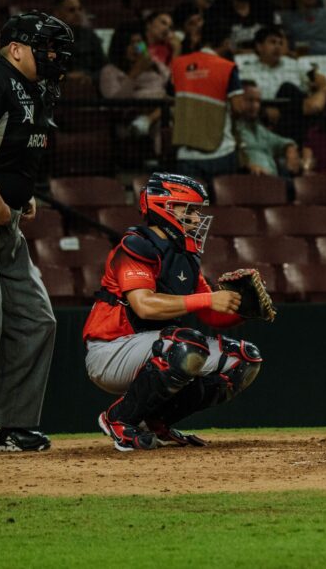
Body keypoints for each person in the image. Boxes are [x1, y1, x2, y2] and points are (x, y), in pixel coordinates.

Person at [82, 173, 263, 451]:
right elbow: (144, 304)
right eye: (187, 210)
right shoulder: (135, 246)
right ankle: (118, 419)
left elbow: (212, 315)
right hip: (111, 350)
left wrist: (242, 307)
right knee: (187, 344)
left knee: (243, 359)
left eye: (196, 211)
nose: (194, 218)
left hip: (154, 347)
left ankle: (154, 422)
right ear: (162, 207)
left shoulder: (186, 257)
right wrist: (208, 300)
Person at [0, 12, 74, 457]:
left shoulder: (36, 90)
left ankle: (11, 424)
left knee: (36, 320)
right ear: (16, 48)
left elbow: (11, 151)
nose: (55, 58)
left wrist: (21, 195)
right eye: (47, 49)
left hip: (5, 220)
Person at [170, 21, 244, 188]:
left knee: (190, 212)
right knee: (224, 211)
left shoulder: (179, 64)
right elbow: (238, 108)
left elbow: (170, 91)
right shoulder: (228, 67)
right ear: (225, 43)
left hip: (187, 154)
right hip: (222, 151)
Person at [100, 23, 169, 140]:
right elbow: (116, 103)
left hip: (160, 112)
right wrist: (135, 73)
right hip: (130, 117)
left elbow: (171, 86)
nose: (136, 47)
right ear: (121, 46)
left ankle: (148, 120)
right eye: (131, 43)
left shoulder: (156, 66)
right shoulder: (110, 71)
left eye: (139, 42)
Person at [235, 80, 304, 177]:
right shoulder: (230, 131)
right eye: (250, 100)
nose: (255, 106)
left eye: (258, 101)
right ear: (237, 99)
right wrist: (247, 165)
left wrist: (290, 148)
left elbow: (281, 141)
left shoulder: (259, 129)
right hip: (247, 182)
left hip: (273, 183)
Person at [50, 0, 106, 83]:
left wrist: (90, 77)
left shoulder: (90, 36)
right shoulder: (48, 38)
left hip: (89, 89)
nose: (78, 13)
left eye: (80, 9)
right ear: (57, 14)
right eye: (71, 10)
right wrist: (67, 77)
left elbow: (104, 69)